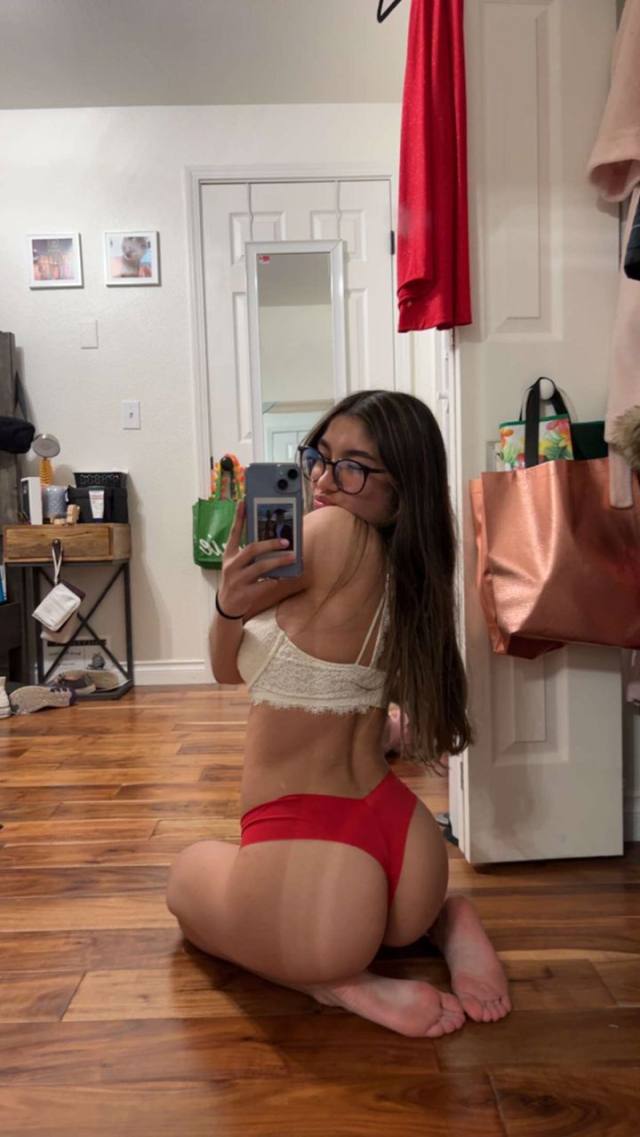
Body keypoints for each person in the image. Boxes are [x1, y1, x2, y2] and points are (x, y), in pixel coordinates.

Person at [167, 390, 511, 1037]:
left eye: (353, 467)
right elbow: (238, 665)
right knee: (366, 920)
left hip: (311, 844)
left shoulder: (329, 533)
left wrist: (227, 604)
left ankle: (337, 983)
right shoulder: (410, 570)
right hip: (403, 843)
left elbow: (223, 667)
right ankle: (446, 919)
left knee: (184, 881)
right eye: (319, 457)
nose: (324, 480)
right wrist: (234, 602)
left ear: (400, 491)